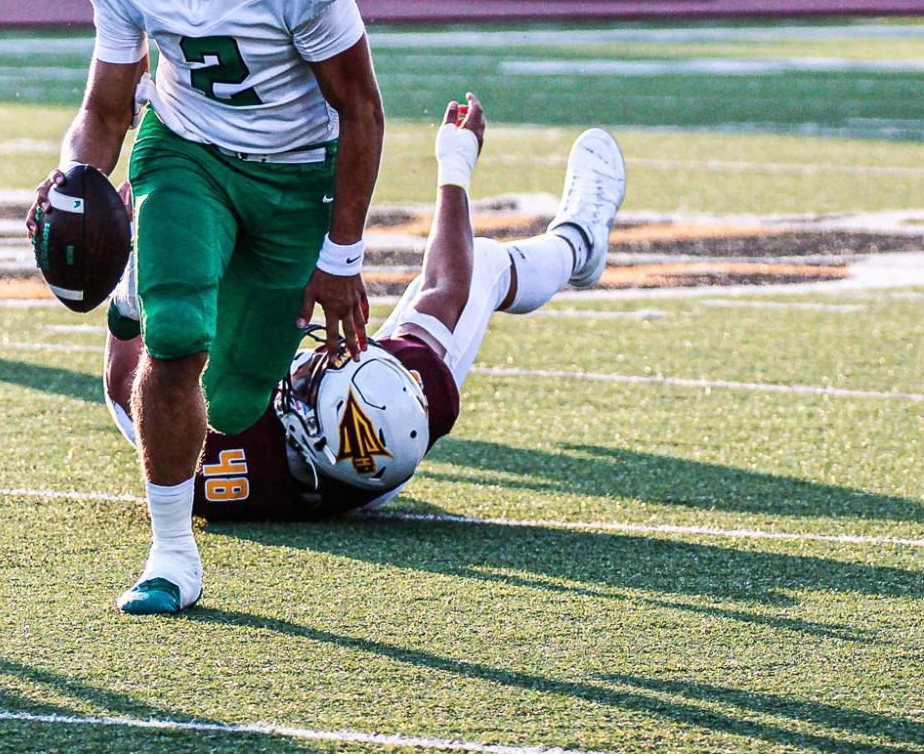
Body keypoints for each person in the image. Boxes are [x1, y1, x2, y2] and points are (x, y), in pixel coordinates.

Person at [27, 0, 384, 616]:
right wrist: (78, 175)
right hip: (183, 151)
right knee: (177, 337)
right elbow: (109, 104)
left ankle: (135, 302)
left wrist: (342, 255)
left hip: (295, 178)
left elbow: (361, 111)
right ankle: (171, 553)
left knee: (229, 401)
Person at [103, 97, 627, 525]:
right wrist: (455, 168)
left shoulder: (216, 450)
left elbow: (122, 380)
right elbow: (447, 284)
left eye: (314, 379)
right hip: (374, 470)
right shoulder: (415, 407)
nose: (327, 353)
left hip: (288, 454)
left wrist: (139, 247)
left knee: (183, 344)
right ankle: (579, 241)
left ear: (301, 425)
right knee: (484, 262)